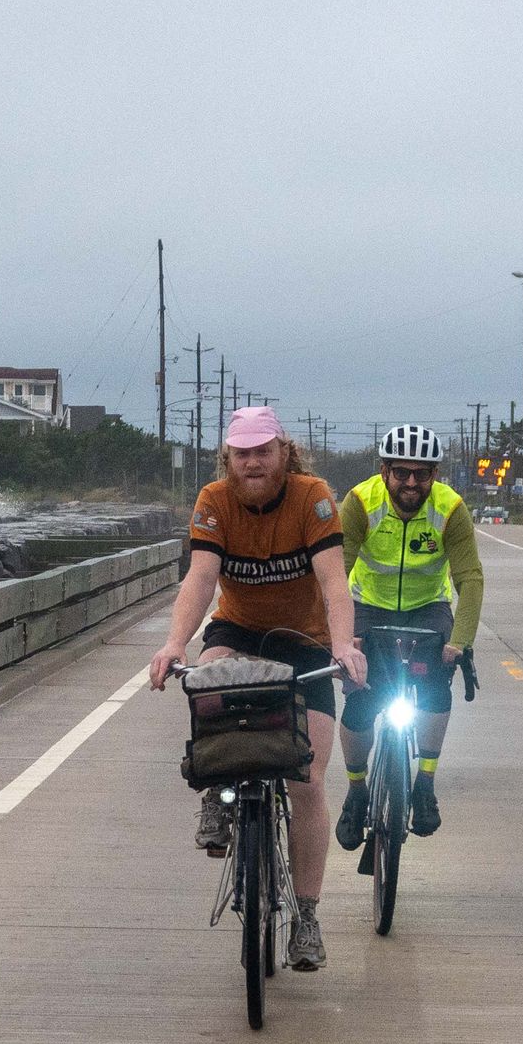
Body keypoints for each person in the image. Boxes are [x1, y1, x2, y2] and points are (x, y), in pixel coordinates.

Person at [150, 406, 368, 972]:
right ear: (230, 458)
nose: (252, 463)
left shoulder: (312, 496)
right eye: (242, 453)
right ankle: (218, 794)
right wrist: (176, 644)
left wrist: (344, 646)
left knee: (307, 778)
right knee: (209, 673)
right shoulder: (214, 500)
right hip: (238, 629)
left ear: (283, 453)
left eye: (262, 452)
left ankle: (308, 917)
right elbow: (200, 578)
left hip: (305, 637)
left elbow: (332, 581)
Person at [332, 424, 483, 851]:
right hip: (367, 604)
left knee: (437, 685)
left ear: (434, 474)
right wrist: (342, 637)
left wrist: (461, 639)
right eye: (402, 473)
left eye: (422, 473)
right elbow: (336, 573)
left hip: (427, 607)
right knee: (361, 696)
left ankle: (425, 784)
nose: (411, 483)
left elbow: (469, 578)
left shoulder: (450, 507)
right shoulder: (361, 502)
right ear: (384, 470)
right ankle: (357, 789)